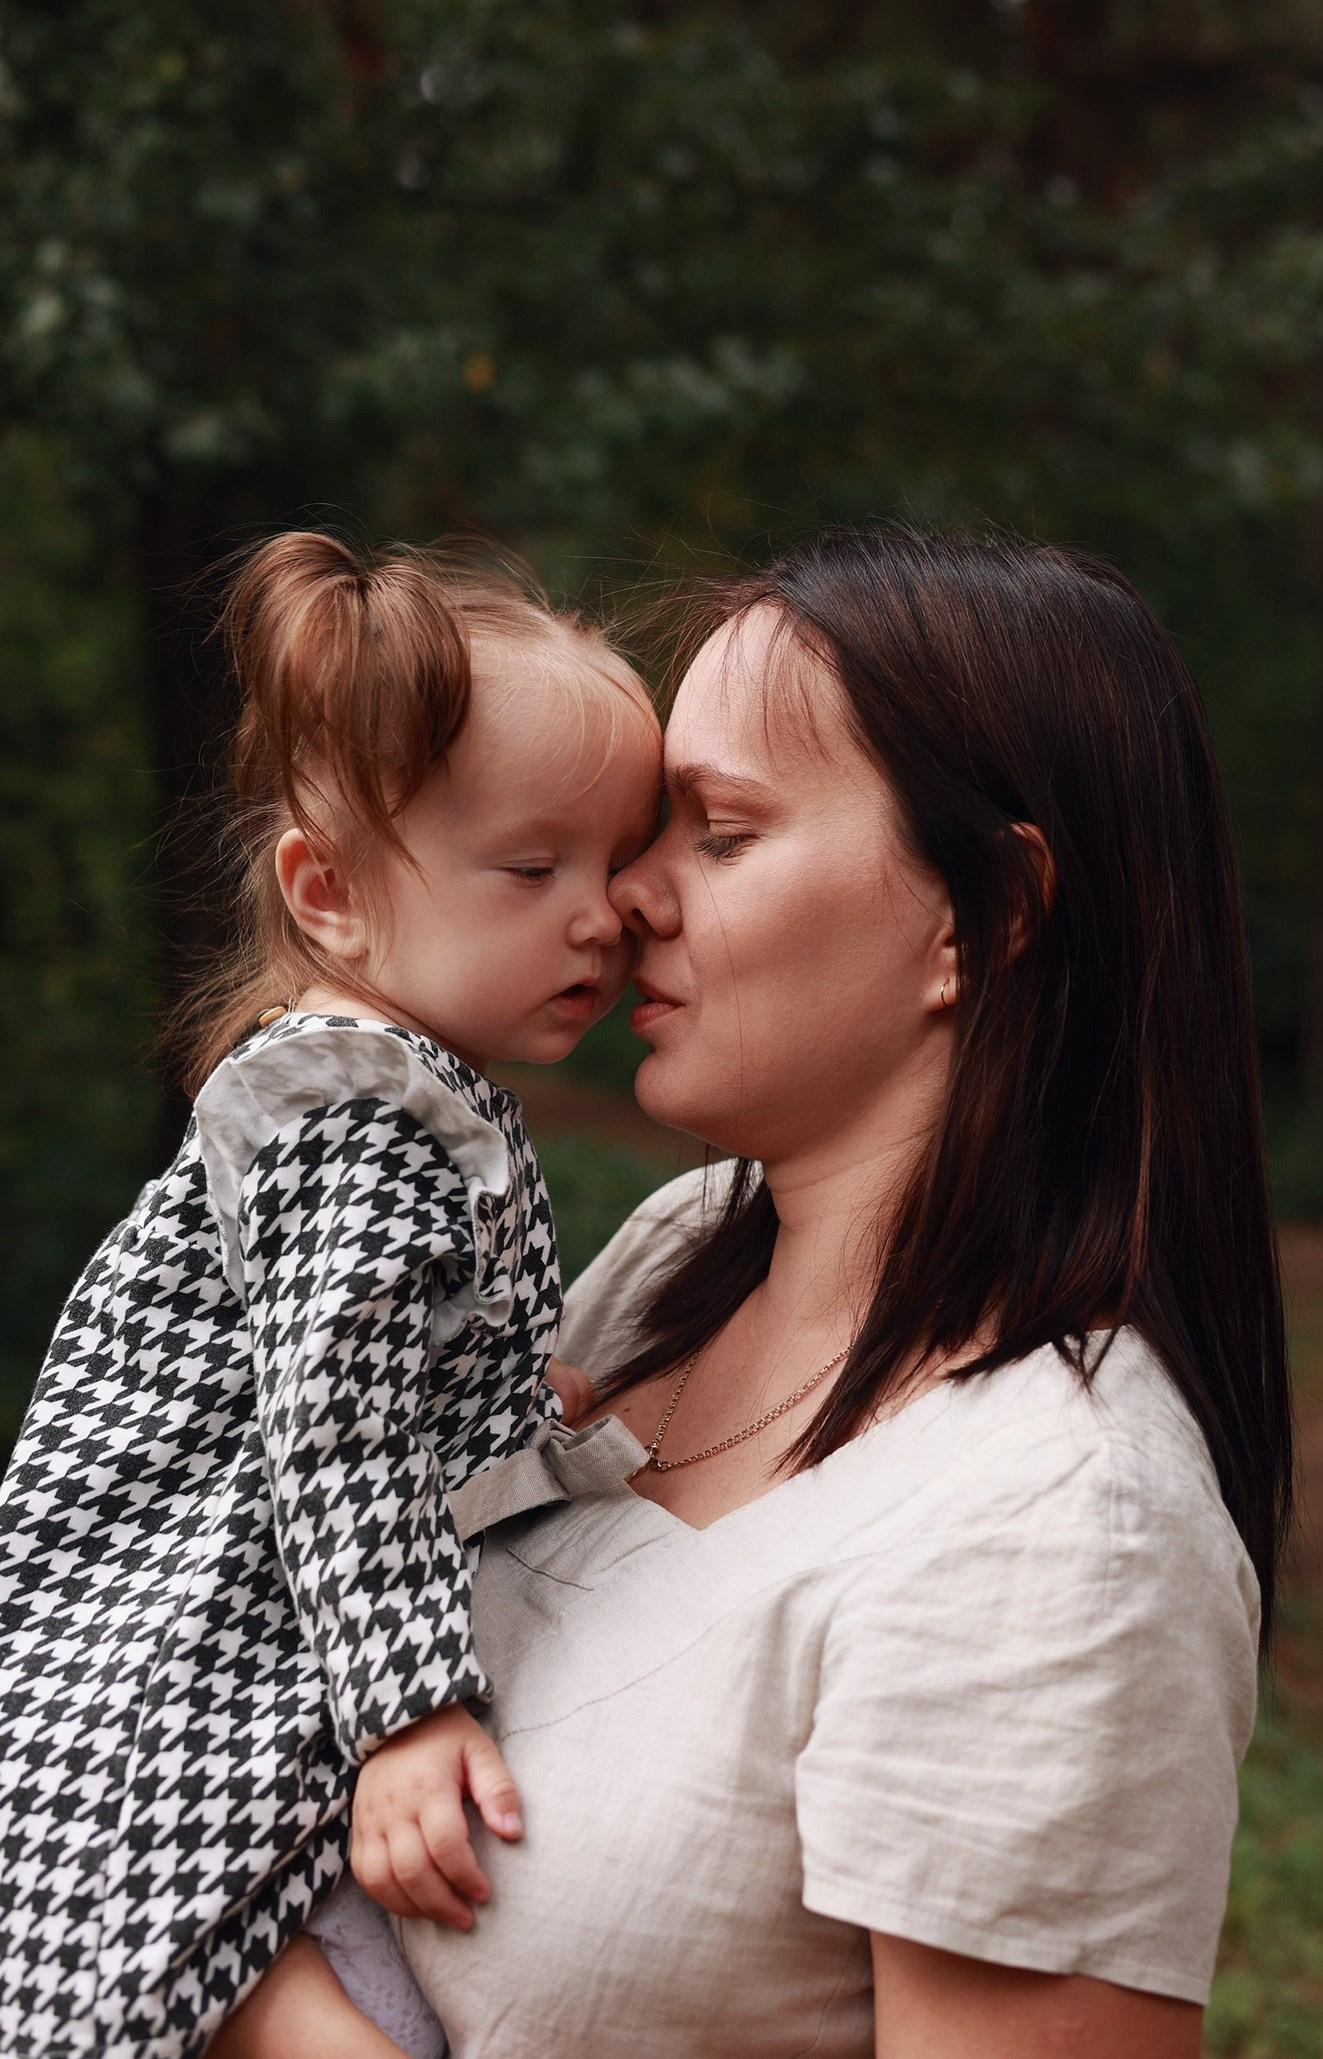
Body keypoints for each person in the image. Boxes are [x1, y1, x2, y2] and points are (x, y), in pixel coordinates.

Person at [254, 522, 1286, 2059]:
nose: (625, 897)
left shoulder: (1062, 1527)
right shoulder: (680, 1256)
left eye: (719, 834)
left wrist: (248, 1999)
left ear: (984, 917)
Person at [0, 530, 659, 2059]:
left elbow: (385, 1362)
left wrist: (510, 1406)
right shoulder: (358, 1115)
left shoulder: (387, 1090)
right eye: (534, 868)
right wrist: (409, 1711)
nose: (602, 916)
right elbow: (339, 1426)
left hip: (219, 1605)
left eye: (619, 863)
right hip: (180, 1628)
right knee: (196, 1951)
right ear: (330, 892)